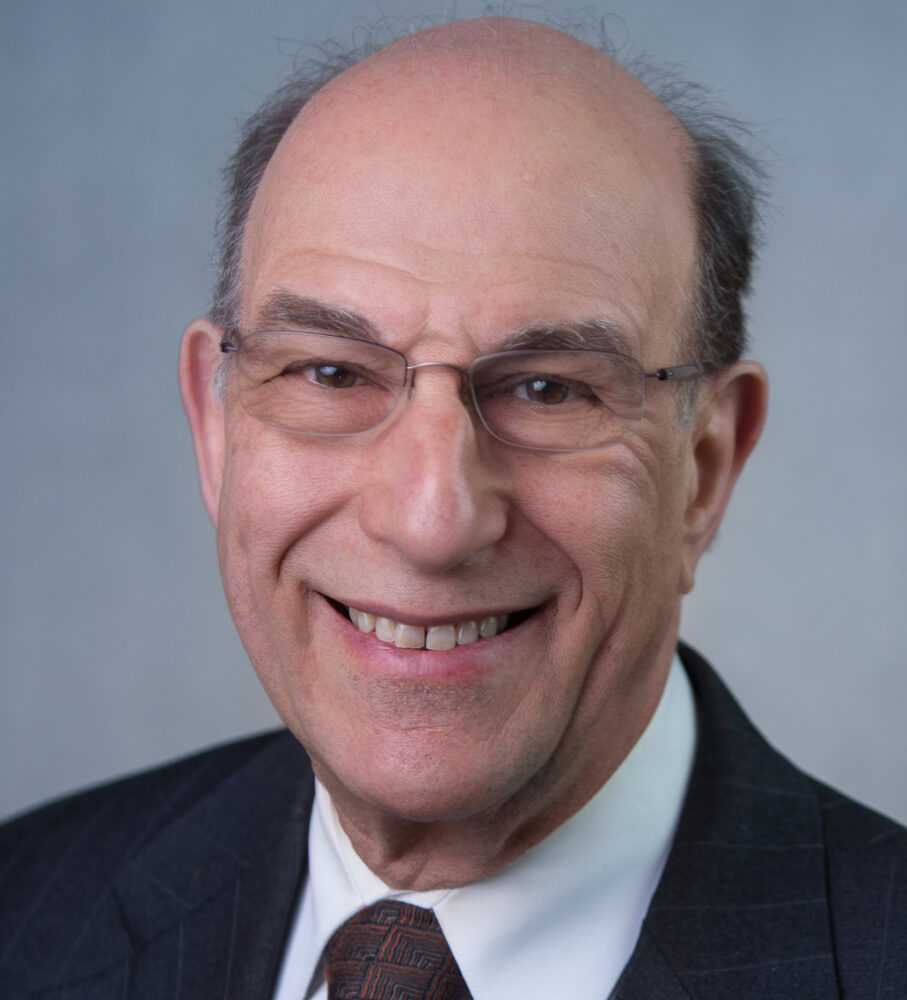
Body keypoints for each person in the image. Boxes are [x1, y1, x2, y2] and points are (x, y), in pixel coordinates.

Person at [1, 16, 904, 999]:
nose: (431, 521)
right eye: (332, 372)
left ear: (704, 467)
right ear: (217, 430)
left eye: (549, 389)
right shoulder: (28, 909)